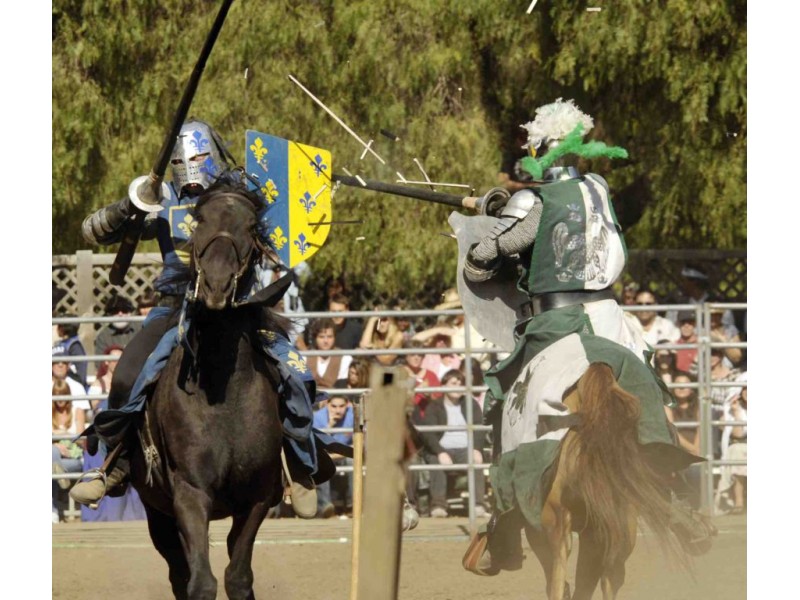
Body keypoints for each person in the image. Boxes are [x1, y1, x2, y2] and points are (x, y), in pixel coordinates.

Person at [460, 99, 714, 574]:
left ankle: (503, 525)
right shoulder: (598, 189)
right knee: (646, 393)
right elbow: (564, 222)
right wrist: (502, 205)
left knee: (503, 399)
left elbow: (506, 244)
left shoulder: (531, 201)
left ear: (539, 151)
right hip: (610, 319)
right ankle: (677, 505)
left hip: (556, 325)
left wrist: (482, 247)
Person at [69, 119, 325, 518]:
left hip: (241, 308)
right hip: (174, 307)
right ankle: (114, 463)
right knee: (127, 373)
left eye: (199, 156)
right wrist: (131, 205)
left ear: (212, 155)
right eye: (181, 159)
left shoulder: (239, 197)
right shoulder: (163, 197)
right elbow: (92, 231)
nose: (190, 166)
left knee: (295, 373)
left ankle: (299, 465)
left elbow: (282, 224)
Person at [419, 369, 488, 518]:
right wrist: (440, 452)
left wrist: (476, 449)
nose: (458, 386)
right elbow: (428, 434)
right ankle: (438, 506)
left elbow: (479, 428)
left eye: (461, 384)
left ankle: (478, 504)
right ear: (444, 386)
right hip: (443, 449)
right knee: (436, 461)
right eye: (454, 383)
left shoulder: (470, 404)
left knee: (476, 462)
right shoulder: (434, 406)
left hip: (465, 448)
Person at [312, 394, 354, 517]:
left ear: (347, 405)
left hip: (344, 455)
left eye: (341, 406)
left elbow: (359, 443)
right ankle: (325, 507)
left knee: (352, 463)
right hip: (326, 454)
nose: (337, 410)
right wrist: (329, 426)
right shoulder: (318, 417)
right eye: (334, 406)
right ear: (327, 405)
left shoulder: (352, 417)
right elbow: (315, 443)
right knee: (320, 462)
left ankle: (353, 505)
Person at [52, 379, 85, 522]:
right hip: (55, 458)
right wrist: (58, 444)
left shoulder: (77, 411)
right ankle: (60, 475)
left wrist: (59, 438)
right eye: (57, 395)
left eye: (63, 395)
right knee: (51, 457)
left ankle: (52, 510)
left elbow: (81, 438)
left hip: (73, 457)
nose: (60, 400)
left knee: (49, 462)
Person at [307, 318, 353, 392]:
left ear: (334, 337)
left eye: (329, 336)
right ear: (315, 338)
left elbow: (342, 386)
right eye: (321, 337)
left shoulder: (345, 358)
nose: (326, 341)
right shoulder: (305, 357)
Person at [94, 293, 141, 359]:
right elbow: (100, 364)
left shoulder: (141, 329)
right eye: (115, 311)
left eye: (124, 310)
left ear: (130, 313)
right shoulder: (103, 337)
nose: (120, 314)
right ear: (109, 314)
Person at [52, 317, 89, 389]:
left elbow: (81, 373)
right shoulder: (59, 344)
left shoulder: (75, 347)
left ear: (62, 329)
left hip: (71, 386)